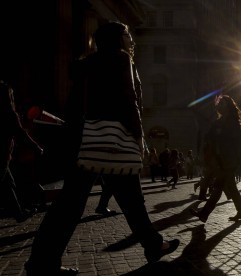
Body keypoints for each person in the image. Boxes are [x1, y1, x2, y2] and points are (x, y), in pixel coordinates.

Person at [25, 22, 179, 275]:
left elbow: (75, 105)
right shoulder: (121, 60)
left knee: (70, 204)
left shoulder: (88, 64)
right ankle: (154, 245)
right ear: (119, 38)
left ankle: (41, 262)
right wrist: (139, 136)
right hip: (112, 141)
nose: (131, 39)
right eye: (128, 35)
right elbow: (128, 101)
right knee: (131, 201)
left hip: (85, 141)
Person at [190, 94, 241, 222]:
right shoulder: (217, 122)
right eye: (218, 104)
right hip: (219, 160)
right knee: (232, 188)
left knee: (218, 187)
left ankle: (204, 213)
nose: (219, 106)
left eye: (222, 104)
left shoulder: (232, 123)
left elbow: (238, 144)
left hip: (228, 161)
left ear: (228, 107)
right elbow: (209, 138)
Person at [0, 80, 43, 223]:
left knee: (8, 183)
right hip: (2, 156)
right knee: (6, 183)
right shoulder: (9, 114)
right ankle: (18, 213)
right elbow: (21, 134)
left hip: (5, 156)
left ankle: (18, 213)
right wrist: (36, 147)